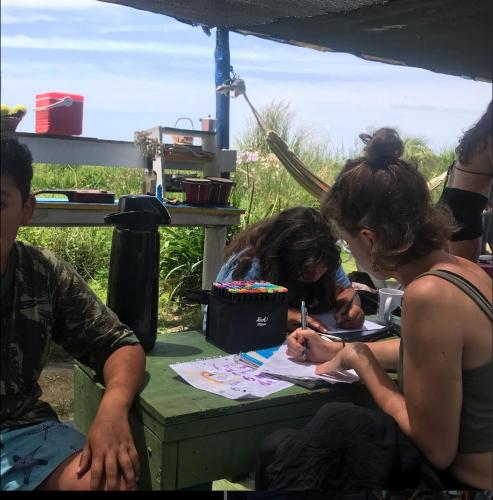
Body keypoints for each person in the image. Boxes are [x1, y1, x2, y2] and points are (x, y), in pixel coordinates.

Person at [256, 128, 492, 491]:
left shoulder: (428, 294)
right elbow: (431, 357)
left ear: (370, 238)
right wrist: (338, 349)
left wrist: (362, 361)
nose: (354, 255)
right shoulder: (466, 271)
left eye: (350, 245)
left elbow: (435, 448)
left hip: (468, 487)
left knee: (326, 429)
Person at [0, 137, 146, 491]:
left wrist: (111, 411)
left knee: (109, 481)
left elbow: (120, 345)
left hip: (21, 432)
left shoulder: (41, 273)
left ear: (26, 210)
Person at [215, 206, 364, 333]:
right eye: (306, 271)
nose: (316, 276)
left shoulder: (322, 255)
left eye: (322, 269)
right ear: (282, 256)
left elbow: (347, 291)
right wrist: (277, 316)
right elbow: (221, 315)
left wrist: (351, 306)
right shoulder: (252, 264)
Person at [440, 101, 493, 263]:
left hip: (445, 206)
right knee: (463, 275)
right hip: (465, 213)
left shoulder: (475, 138)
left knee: (443, 271)